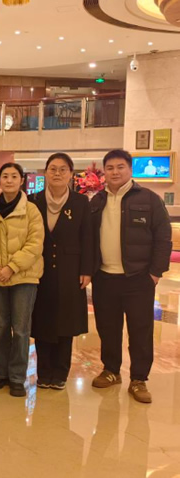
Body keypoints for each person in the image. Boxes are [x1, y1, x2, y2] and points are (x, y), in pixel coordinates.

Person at [90, 149, 171, 404]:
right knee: (108, 328)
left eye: (120, 167)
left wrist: (155, 273)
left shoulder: (149, 199)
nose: (115, 172)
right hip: (104, 277)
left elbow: (163, 237)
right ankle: (111, 370)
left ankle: (139, 379)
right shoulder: (97, 201)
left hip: (138, 278)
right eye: (110, 168)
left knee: (140, 330)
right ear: (104, 172)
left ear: (130, 169)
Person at [0, 162, 44, 397]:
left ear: (21, 180)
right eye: (4, 176)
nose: (9, 180)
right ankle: (0, 373)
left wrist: (12, 267)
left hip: (24, 278)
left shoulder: (32, 210)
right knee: (0, 326)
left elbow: (35, 243)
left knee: (21, 329)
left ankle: (17, 377)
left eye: (13, 176)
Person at [28, 153, 92, 390]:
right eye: (53, 169)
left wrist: (87, 270)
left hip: (70, 270)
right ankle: (44, 373)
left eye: (63, 169)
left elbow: (88, 237)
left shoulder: (80, 202)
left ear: (71, 174)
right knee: (42, 320)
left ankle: (61, 373)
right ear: (45, 172)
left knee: (66, 321)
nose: (57, 173)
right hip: (39, 269)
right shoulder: (33, 200)